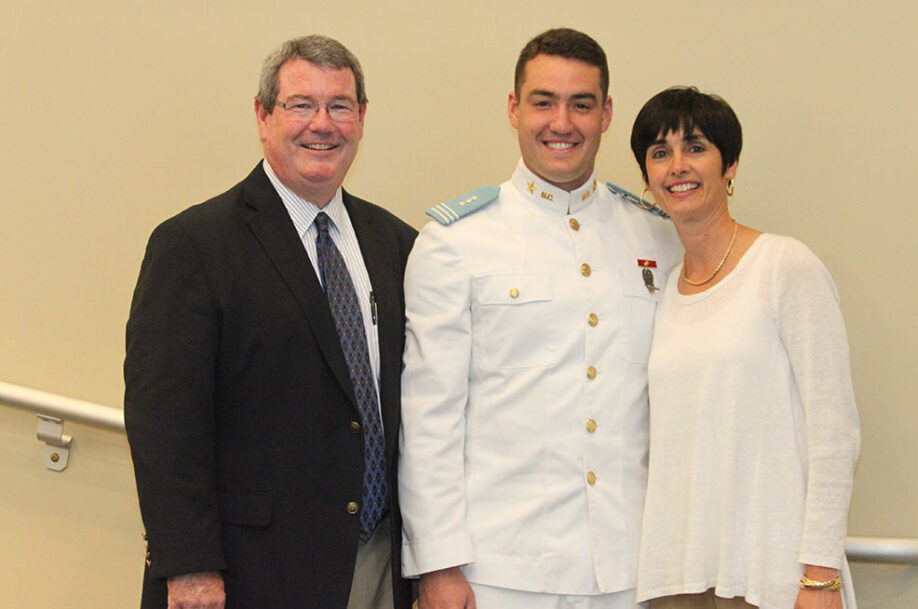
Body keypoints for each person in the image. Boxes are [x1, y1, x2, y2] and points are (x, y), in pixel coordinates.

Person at [123, 35, 416, 609]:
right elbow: (164, 424)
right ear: (263, 115)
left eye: (340, 106)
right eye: (301, 105)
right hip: (248, 572)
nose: (322, 124)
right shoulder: (194, 245)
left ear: (361, 118)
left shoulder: (396, 245)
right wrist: (188, 567)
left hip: (379, 564)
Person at [398, 28, 681, 609]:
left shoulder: (656, 236)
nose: (562, 122)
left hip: (631, 568)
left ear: (606, 114)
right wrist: (438, 567)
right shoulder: (456, 242)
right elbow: (431, 420)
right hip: (500, 572)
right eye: (543, 101)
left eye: (581, 104)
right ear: (513, 108)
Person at [628, 86, 860, 609]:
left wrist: (820, 578)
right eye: (660, 153)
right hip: (678, 580)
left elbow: (834, 433)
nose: (677, 166)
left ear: (730, 166)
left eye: (696, 147)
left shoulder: (783, 266)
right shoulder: (662, 292)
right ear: (647, 179)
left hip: (773, 577)